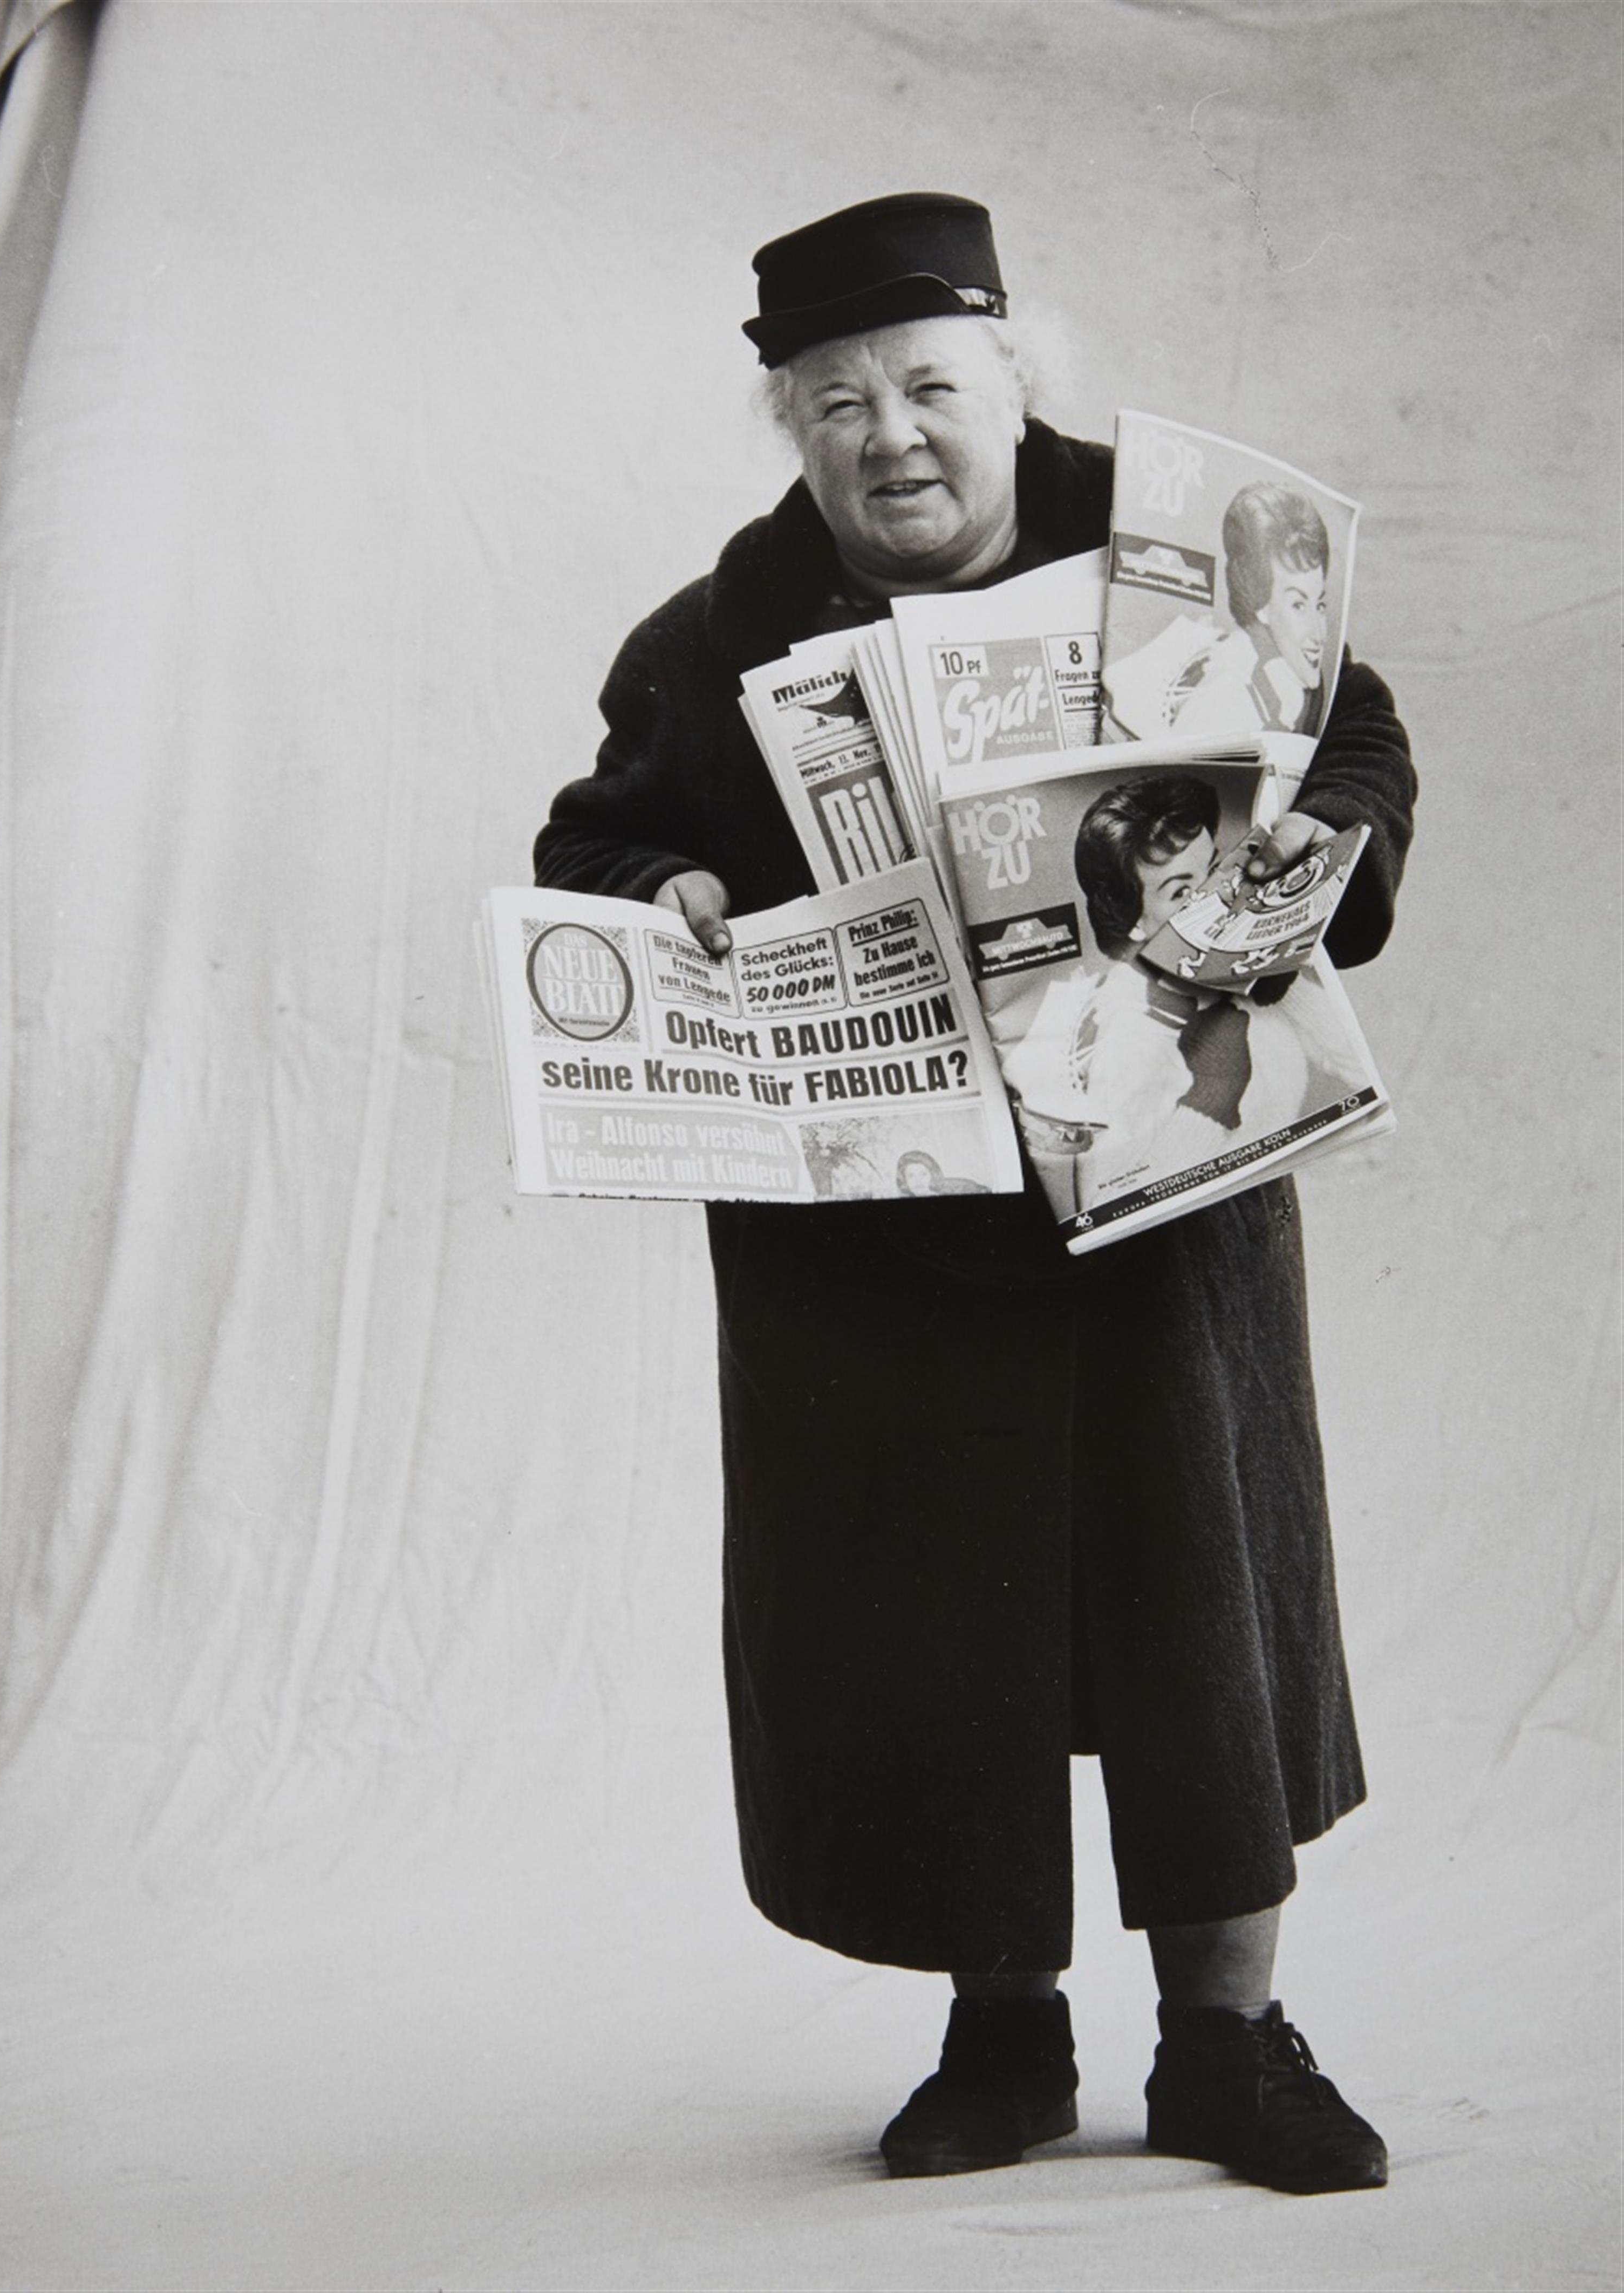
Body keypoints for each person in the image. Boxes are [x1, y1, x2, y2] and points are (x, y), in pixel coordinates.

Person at [535, 193, 1416, 2192]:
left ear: (1016, 380)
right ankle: (999, 2034)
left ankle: (1228, 2040)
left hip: (1160, 1180)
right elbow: (592, 847)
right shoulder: (709, 640)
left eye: (932, 384)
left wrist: (1305, 860)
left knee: (1200, 1616)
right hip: (881, 1245)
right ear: (791, 430)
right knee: (931, 1631)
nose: (891, 436)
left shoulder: (1182, 560)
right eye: (835, 403)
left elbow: (1351, 746)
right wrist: (660, 900)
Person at [1000, 775, 1314, 1212]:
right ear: (1134, 920)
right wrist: (1210, 1099)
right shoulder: (1123, 1033)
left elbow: (1355, 1073)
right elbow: (1110, 1201)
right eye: (1182, 892)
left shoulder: (1239, 961)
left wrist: (1294, 975)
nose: (1215, 898)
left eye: (1215, 870)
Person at [1170, 482, 1333, 739]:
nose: (1319, 633)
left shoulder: (1290, 684)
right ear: (1261, 607)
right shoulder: (1228, 695)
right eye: (1298, 606)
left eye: (1320, 606)